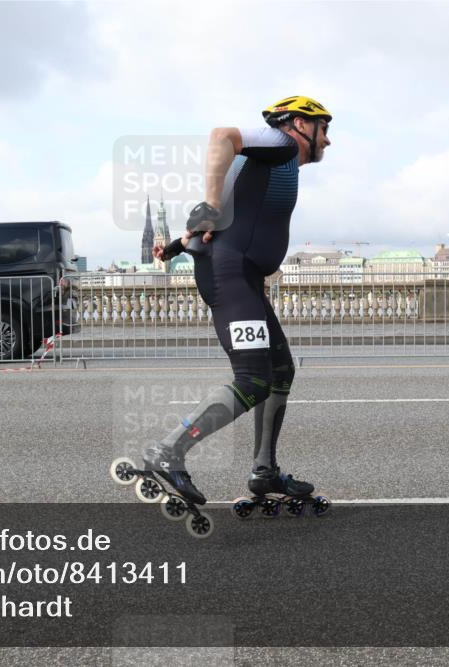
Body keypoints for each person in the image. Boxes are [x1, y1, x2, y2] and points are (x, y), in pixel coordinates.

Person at [146, 95, 332, 505]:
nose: (328, 140)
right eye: (324, 128)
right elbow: (222, 136)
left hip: (243, 277)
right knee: (253, 380)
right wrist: (210, 205)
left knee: (280, 370)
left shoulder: (271, 162)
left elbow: (228, 211)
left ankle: (264, 471)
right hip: (231, 276)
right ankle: (168, 451)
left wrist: (178, 244)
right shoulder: (281, 143)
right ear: (301, 123)